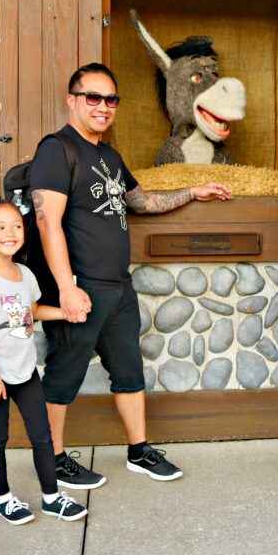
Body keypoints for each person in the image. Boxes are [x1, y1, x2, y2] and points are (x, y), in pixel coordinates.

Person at [30, 63, 232, 488]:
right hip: (80, 288)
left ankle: (139, 451)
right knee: (64, 375)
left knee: (128, 372)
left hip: (119, 287)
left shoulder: (109, 156)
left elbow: (142, 203)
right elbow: (49, 223)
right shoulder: (57, 149)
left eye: (111, 100)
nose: (103, 107)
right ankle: (54, 458)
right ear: (73, 100)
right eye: (93, 98)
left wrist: (194, 191)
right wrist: (66, 288)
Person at [0, 199, 88, 525]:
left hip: (24, 370)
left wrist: (65, 312)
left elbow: (28, 314)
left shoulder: (24, 273)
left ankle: (51, 498)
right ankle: (3, 499)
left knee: (42, 435)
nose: (10, 232)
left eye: (16, 226)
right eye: (0, 227)